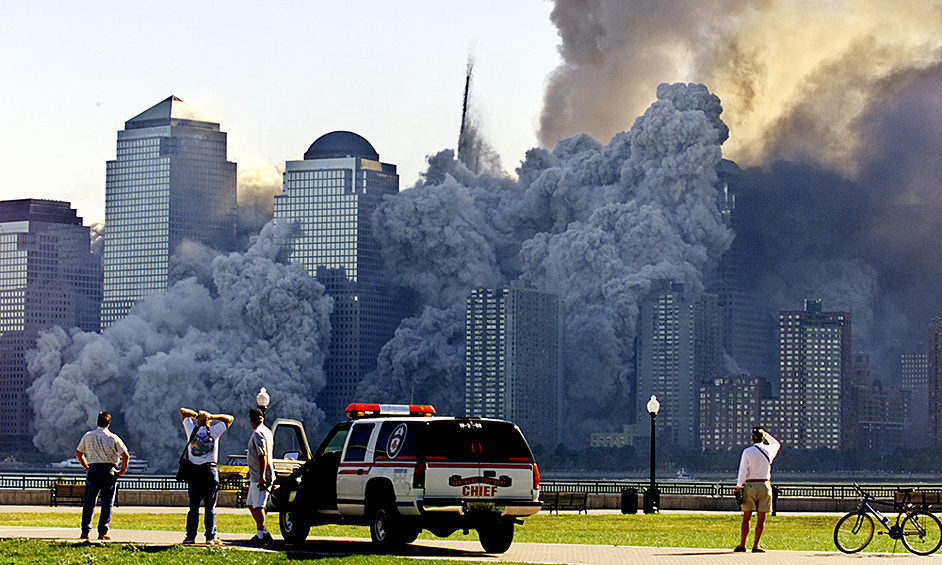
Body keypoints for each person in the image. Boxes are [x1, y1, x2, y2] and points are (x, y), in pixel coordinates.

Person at [180, 407, 234, 545]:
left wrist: (198, 415)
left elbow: (182, 412)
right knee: (210, 507)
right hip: (209, 472)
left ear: (197, 422)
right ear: (208, 422)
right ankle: (210, 537)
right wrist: (212, 416)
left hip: (194, 473)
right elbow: (229, 419)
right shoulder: (214, 431)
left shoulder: (191, 430)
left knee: (194, 507)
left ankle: (190, 537)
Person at [75, 411, 130, 540]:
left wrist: (86, 467)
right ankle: (102, 532)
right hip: (108, 471)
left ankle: (85, 531)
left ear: (97, 422)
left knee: (89, 502)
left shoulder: (88, 436)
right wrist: (121, 472)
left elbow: (78, 453)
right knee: (107, 503)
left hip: (93, 470)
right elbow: (125, 455)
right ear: (109, 423)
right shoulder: (113, 437)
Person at [733, 426, 781, 553]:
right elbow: (776, 444)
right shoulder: (769, 450)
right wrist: (767, 435)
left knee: (746, 517)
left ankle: (742, 544)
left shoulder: (747, 452)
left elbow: (743, 471)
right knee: (761, 518)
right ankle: (756, 545)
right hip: (765, 485)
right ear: (762, 438)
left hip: (750, 485)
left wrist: (738, 487)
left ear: (752, 439)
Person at [244, 407, 275, 547]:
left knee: (258, 506)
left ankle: (260, 536)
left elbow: (263, 455)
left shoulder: (258, 433)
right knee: (251, 504)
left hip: (260, 477)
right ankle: (264, 532)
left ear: (251, 421)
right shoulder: (267, 431)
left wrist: (262, 475)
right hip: (256, 475)